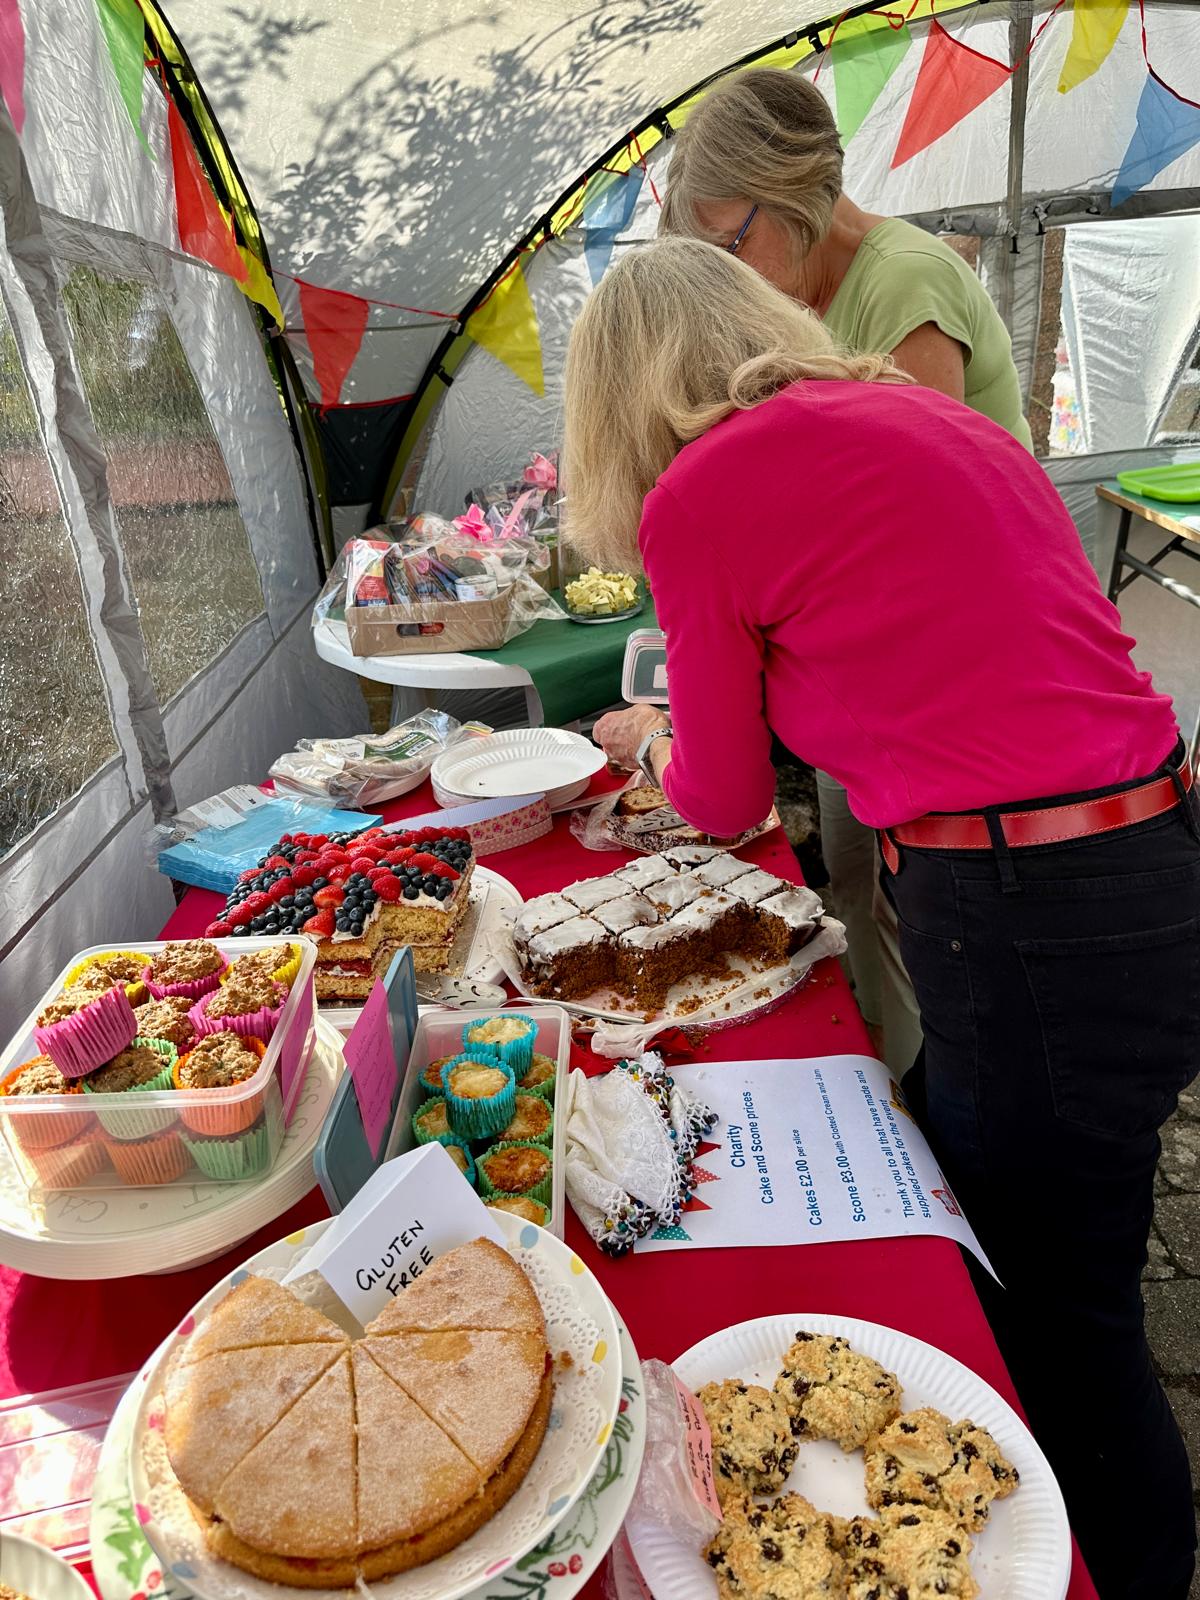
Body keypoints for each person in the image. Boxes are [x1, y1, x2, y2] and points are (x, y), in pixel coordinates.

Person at [566, 237, 1198, 1600]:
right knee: (1042, 1221)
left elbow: (729, 800)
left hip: (1033, 912)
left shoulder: (700, 495)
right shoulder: (921, 414)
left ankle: (1131, 1568)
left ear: (618, 403)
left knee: (1062, 1306)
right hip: (1149, 853)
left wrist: (651, 742)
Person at [660, 67, 1035, 1076]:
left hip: (961, 709)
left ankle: (923, 1108)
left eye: (728, 244)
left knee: (924, 921)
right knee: (857, 882)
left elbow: (914, 546)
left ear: (792, 198)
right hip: (872, 695)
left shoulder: (901, 285)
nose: (725, 277)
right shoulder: (800, 296)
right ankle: (879, 1072)